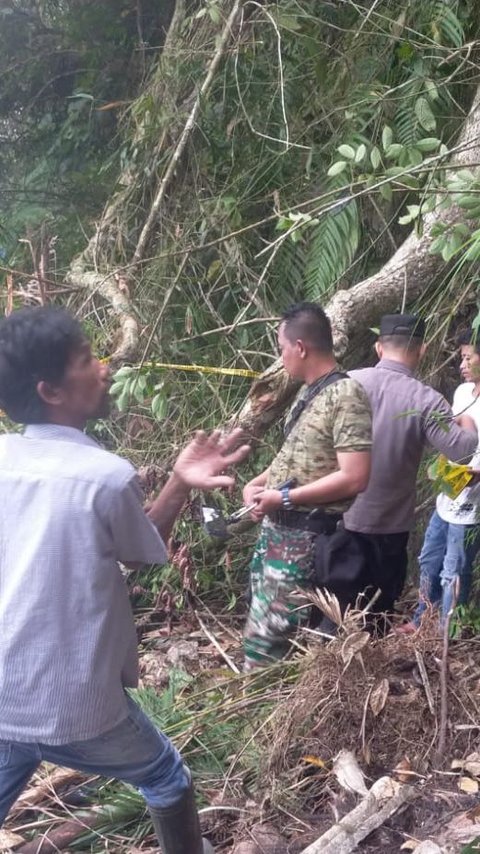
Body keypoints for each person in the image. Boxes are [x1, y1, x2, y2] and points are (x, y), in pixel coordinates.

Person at [0, 306, 250, 854]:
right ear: (52, 390)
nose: (104, 367)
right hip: (73, 700)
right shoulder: (105, 478)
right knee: (165, 776)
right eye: (88, 359)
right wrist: (182, 484)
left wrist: (178, 480)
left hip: (3, 689)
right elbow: (139, 555)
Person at [241, 302, 372, 670]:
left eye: (281, 348)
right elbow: (303, 455)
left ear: (300, 347)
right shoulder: (310, 391)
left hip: (305, 540)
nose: (280, 357)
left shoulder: (347, 395)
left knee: (268, 647)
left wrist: (282, 497)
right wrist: (260, 482)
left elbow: (355, 475)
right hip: (278, 536)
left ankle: (265, 721)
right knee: (262, 634)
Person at [343, 314, 477, 625]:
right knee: (377, 609)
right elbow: (461, 448)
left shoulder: (347, 382)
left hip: (341, 516)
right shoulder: (426, 400)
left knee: (338, 602)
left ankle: (332, 661)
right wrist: (467, 423)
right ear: (423, 350)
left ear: (378, 348)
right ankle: (372, 662)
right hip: (389, 526)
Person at [408, 331, 480, 629]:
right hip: (449, 490)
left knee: (455, 568)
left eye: (468, 357)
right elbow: (452, 438)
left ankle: (445, 633)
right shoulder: (463, 393)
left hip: (473, 504)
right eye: (461, 357)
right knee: (429, 557)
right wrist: (441, 468)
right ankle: (420, 620)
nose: (462, 364)